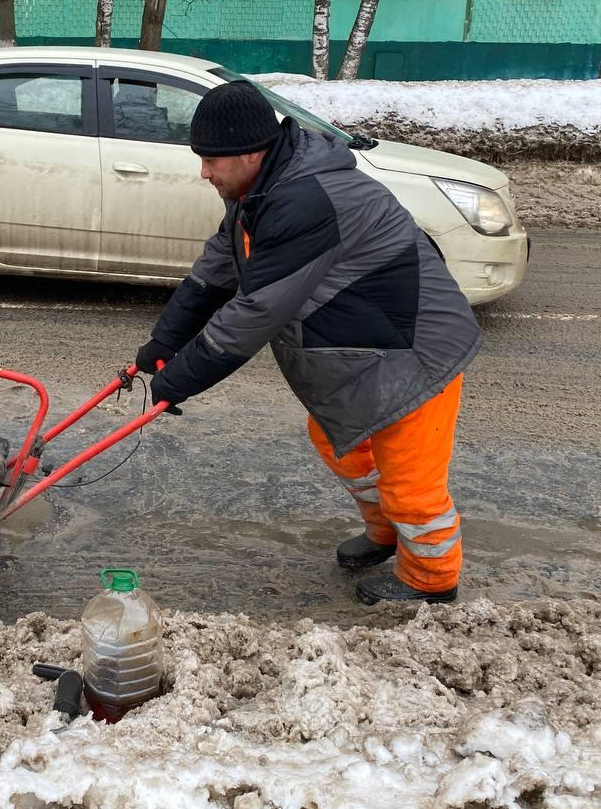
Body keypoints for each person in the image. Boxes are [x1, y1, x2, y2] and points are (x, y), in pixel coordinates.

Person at [134, 82, 481, 604]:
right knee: (341, 444)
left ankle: (432, 579)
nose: (203, 172)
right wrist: (163, 342)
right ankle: (387, 532)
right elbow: (213, 273)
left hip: (414, 350)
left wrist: (176, 382)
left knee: (411, 480)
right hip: (365, 346)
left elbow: (255, 312)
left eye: (210, 161)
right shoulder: (260, 192)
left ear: (249, 152)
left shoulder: (305, 199)